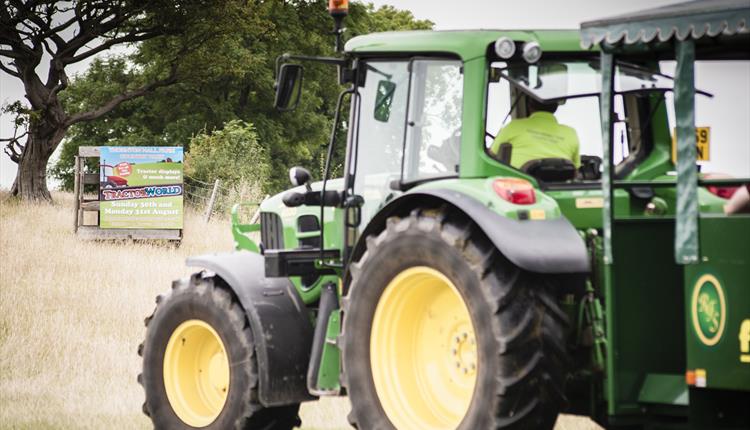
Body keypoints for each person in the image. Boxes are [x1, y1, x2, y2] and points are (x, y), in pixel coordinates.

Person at [490, 97, 580, 170]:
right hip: (558, 187)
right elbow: (576, 168)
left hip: (519, 187)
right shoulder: (571, 133)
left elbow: (491, 155)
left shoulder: (514, 126)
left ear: (529, 106)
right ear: (556, 107)